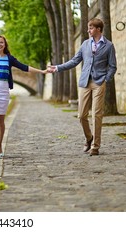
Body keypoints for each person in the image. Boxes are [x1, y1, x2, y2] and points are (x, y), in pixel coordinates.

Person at [48, 17, 117, 156]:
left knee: (96, 114)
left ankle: (95, 146)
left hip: (99, 83)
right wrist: (57, 68)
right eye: (88, 27)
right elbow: (74, 61)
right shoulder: (85, 44)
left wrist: (105, 79)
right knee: (81, 115)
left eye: (91, 28)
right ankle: (89, 137)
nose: (88, 30)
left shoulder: (108, 46)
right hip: (85, 82)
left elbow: (113, 66)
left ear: (98, 29)